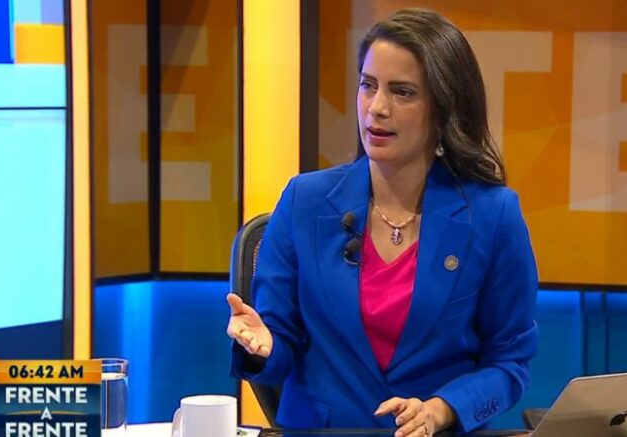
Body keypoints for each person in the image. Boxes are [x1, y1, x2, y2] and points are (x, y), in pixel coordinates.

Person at [227, 8, 538, 436]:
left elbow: (509, 363)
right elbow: (279, 342)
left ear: (444, 108)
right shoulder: (304, 201)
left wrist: (441, 410)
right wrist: (262, 344)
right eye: (368, 85)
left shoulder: (492, 215)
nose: (377, 108)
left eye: (403, 92)